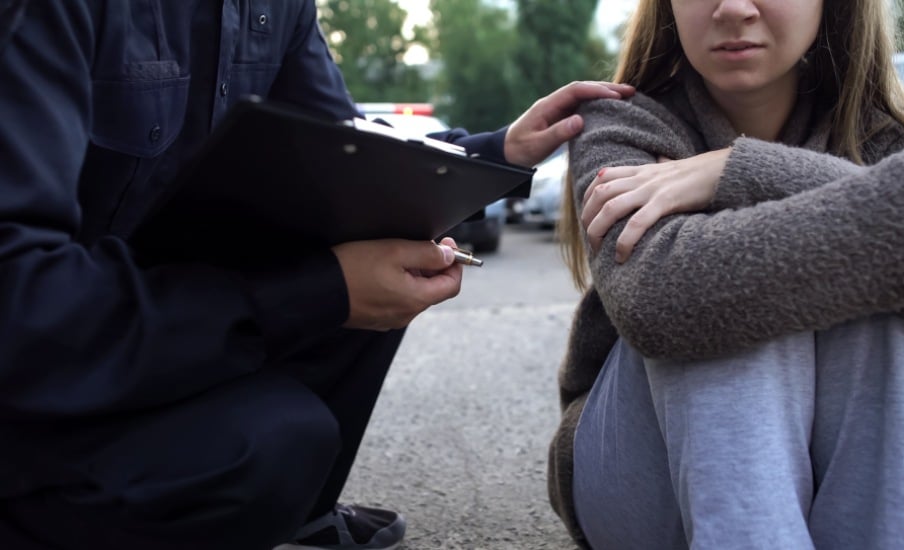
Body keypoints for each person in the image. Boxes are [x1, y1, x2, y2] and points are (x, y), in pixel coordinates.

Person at [0, 2, 634, 549]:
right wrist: (313, 294)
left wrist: (498, 152)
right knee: (273, 445)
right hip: (44, 370)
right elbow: (20, 295)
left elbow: (349, 154)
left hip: (157, 336)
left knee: (391, 231)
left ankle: (297, 515)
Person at [547, 0, 904, 548]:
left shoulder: (892, 137)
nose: (732, 8)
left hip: (847, 486)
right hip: (639, 487)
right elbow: (660, 304)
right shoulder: (622, 119)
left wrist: (742, 170)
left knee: (891, 276)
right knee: (723, 290)